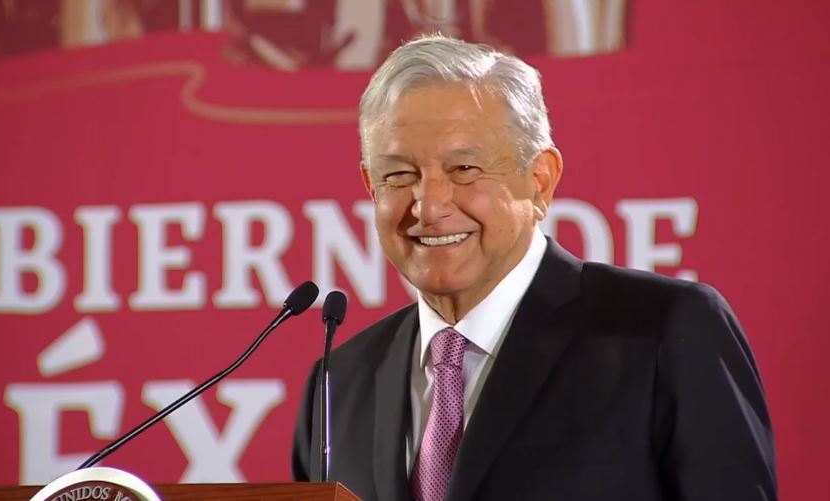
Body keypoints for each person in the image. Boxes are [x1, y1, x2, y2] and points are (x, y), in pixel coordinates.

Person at [292, 35, 777, 501]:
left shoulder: (662, 332)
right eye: (399, 175)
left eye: (464, 170)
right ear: (371, 187)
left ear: (540, 181)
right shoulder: (339, 383)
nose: (430, 206)